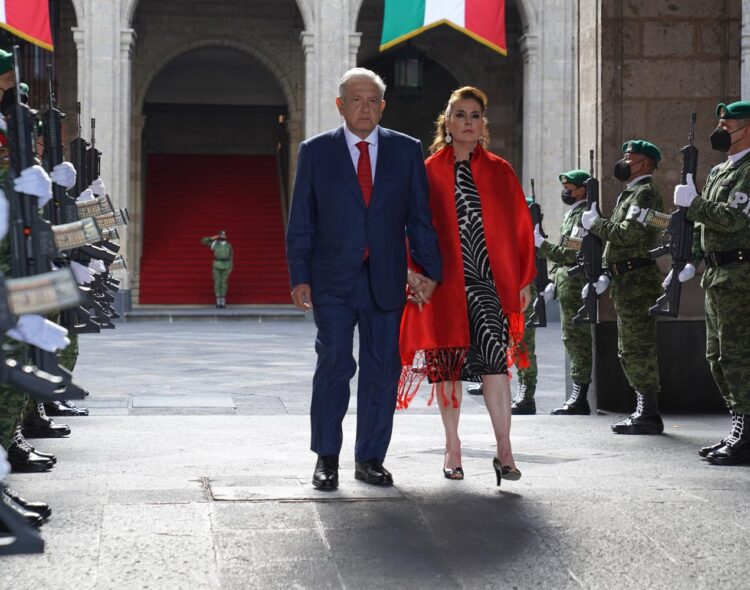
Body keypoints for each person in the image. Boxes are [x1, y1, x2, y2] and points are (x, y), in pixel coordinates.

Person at [286, 68, 442, 491]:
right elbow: (302, 219)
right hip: (333, 279)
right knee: (335, 361)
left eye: (372, 100)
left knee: (382, 369)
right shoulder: (315, 151)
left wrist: (429, 270)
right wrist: (299, 275)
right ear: (341, 105)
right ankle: (326, 458)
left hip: (387, 279)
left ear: (382, 106)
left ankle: (371, 458)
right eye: (356, 100)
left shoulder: (405, 150)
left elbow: (419, 219)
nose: (364, 107)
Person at [399, 86, 535, 485]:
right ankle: (452, 448)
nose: (468, 122)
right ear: (447, 122)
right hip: (444, 286)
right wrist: (415, 273)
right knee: (449, 368)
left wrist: (524, 277)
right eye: (460, 115)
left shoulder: (499, 170)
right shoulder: (428, 171)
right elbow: (414, 227)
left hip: (489, 284)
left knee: (496, 366)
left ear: (483, 124)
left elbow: (519, 227)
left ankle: (505, 451)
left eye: (475, 115)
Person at [673, 100, 750, 465]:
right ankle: (738, 427)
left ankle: (747, 433)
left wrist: (696, 203)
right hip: (717, 274)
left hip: (741, 276)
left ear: (746, 128)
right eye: (720, 122)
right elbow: (706, 227)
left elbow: (733, 220)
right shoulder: (722, 170)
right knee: (717, 356)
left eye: (728, 123)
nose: (720, 129)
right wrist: (691, 259)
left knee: (738, 356)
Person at [581, 140, 665, 434]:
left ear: (644, 164)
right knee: (629, 348)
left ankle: (649, 413)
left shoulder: (644, 195)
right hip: (626, 279)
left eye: (629, 157)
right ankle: (643, 409)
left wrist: (596, 225)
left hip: (637, 281)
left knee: (637, 347)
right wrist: (604, 272)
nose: (623, 161)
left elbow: (628, 236)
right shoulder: (630, 195)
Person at [467, 196, 539, 417]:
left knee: (521, 344)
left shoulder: (525, 236)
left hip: (518, 296)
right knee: (493, 340)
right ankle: (488, 379)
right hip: (496, 293)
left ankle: (526, 395)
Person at [535, 170, 594, 415]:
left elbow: (571, 253)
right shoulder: (573, 214)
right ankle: (577, 395)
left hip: (575, 284)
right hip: (566, 284)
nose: (566, 191)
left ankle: (580, 397)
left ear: (583, 189)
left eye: (570, 187)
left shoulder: (583, 216)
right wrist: (552, 280)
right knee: (570, 338)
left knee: (577, 339)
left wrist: (542, 245)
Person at [201, 230, 233, 308]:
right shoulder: (215, 244)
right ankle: (218, 302)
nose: (222, 237)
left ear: (226, 236)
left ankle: (223, 302)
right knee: (217, 282)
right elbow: (203, 241)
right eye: (221, 235)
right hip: (217, 265)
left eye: (224, 235)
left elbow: (231, 257)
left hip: (226, 265)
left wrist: (230, 267)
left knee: (224, 283)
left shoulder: (229, 245)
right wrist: (213, 237)